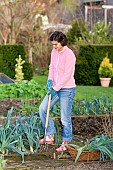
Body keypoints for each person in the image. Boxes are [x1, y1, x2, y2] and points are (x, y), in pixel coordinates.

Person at [39, 31, 76, 152]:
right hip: (55, 87)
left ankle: (66, 142)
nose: (54, 47)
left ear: (62, 42)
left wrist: (56, 88)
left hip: (67, 89)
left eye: (56, 44)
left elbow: (67, 75)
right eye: (52, 44)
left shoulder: (69, 55)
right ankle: (49, 134)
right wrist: (50, 80)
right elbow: (52, 67)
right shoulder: (54, 52)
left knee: (65, 118)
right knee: (43, 108)